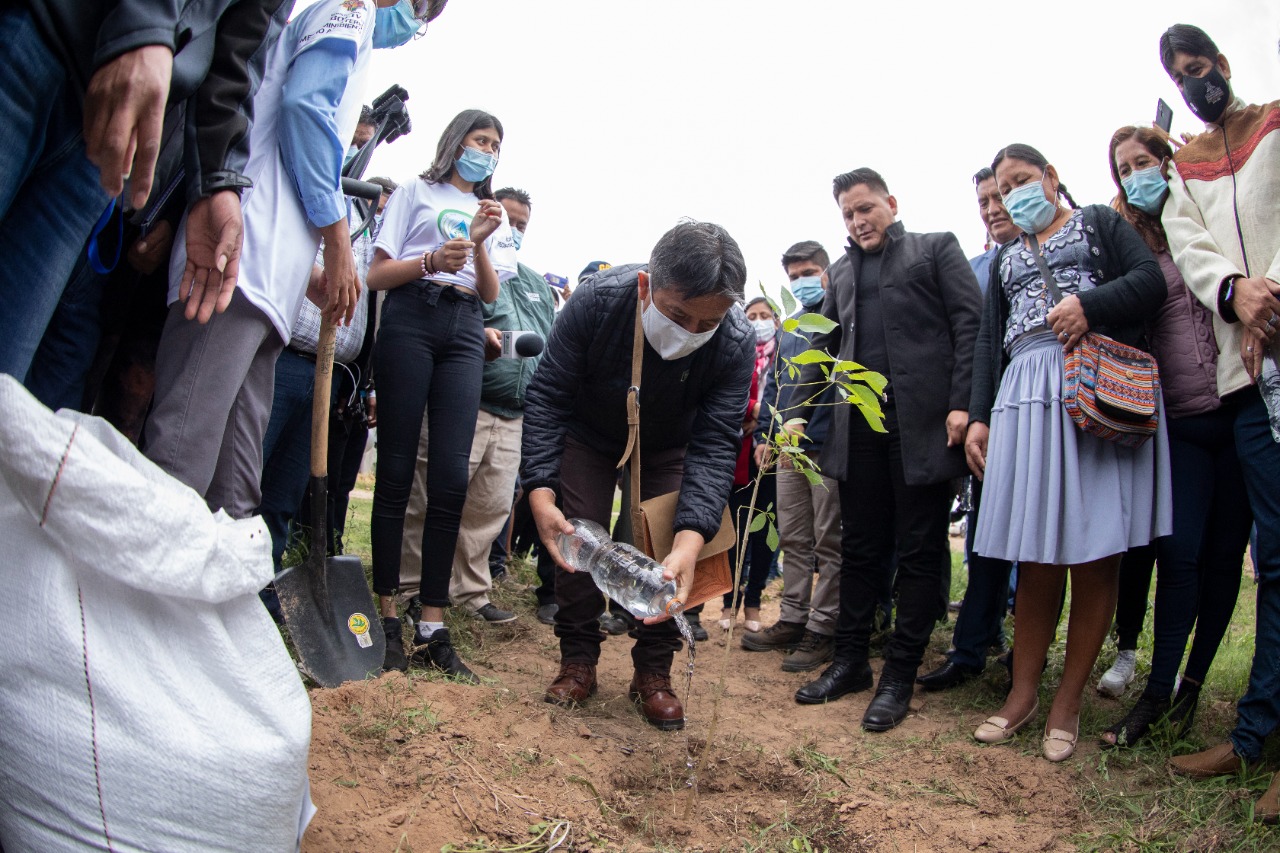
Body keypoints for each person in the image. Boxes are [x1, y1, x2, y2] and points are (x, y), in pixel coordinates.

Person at [141, 0, 426, 519]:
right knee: (183, 454)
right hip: (237, 263)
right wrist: (338, 239)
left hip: (270, 281)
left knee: (236, 484)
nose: (416, 23)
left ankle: (215, 596)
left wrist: (309, 273)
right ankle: (134, 593)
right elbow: (305, 109)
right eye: (421, 9)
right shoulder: (352, 10)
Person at [966, 143, 1170, 762]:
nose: (1011, 196)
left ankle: (1068, 702)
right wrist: (978, 417)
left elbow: (1150, 282)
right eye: (1002, 190)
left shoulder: (1099, 224)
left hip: (1092, 391)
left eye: (1022, 181)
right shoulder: (1003, 259)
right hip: (1024, 397)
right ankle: (1022, 694)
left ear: (1052, 178)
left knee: (1095, 552)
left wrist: (1089, 306)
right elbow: (986, 343)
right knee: (1035, 555)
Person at [522, 221, 754, 731]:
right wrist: (539, 490)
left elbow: (716, 444)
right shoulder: (596, 302)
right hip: (589, 432)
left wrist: (693, 540)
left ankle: (654, 670)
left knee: (667, 554)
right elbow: (548, 395)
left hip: (671, 441)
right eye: (677, 315)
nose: (691, 332)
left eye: (706, 323)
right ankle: (577, 658)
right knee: (576, 538)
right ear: (647, 286)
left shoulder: (734, 340)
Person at [0, 0, 293, 382]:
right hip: (41, 35)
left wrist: (218, 179)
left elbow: (241, 50)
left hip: (108, 140)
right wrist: (146, 23)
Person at [792, 168, 981, 733]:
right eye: (848, 214)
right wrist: (799, 412)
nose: (858, 220)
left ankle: (898, 675)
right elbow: (822, 345)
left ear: (891, 204)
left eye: (866, 208)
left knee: (921, 550)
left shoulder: (935, 250)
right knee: (860, 549)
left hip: (923, 427)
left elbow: (970, 324)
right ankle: (850, 662)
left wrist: (962, 402)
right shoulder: (843, 273)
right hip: (859, 432)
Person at [1156, 26, 1280, 819]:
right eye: (1178, 75)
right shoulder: (1185, 166)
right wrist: (1235, 289)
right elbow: (1189, 242)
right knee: (1275, 559)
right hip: (1249, 377)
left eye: (1198, 69)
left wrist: (1273, 287)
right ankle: (1256, 733)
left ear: (1224, 67)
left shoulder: (1275, 121)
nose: (1193, 82)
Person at [1097, 125, 1252, 748]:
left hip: (1241, 410)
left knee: (1224, 563)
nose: (1136, 174)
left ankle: (1189, 689)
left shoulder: (1208, 228)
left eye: (1145, 161)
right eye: (1123, 168)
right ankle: (1155, 690)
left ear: (1169, 163)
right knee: (1179, 555)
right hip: (1180, 423)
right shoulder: (1131, 248)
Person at [366, 109, 517, 677]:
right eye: (482, 140)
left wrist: (478, 241)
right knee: (398, 472)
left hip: (463, 330)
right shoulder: (414, 191)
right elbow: (375, 276)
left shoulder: (486, 212)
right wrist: (429, 259)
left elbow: (489, 288)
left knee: (452, 475)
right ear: (456, 141)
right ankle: (386, 618)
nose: (489, 152)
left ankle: (432, 622)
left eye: (497, 146)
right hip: (410, 318)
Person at [918, 168, 1019, 692]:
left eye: (1001, 195)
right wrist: (971, 411)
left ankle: (1024, 656)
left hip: (1047, 413)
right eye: (983, 200)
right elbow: (972, 345)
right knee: (985, 536)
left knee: (1043, 544)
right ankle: (971, 648)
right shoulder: (979, 268)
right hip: (989, 418)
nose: (992, 207)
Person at [443, 186, 555, 622]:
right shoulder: (461, 264)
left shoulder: (535, 285)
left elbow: (548, 348)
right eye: (509, 221)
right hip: (468, 402)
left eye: (522, 225)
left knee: (490, 506)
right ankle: (411, 584)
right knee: (438, 497)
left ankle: (470, 593)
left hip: (516, 414)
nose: (515, 231)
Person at [743, 241, 843, 673]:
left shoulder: (838, 321)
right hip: (787, 448)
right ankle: (793, 617)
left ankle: (823, 628)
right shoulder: (790, 328)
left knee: (829, 540)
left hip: (827, 443)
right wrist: (765, 434)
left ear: (827, 272)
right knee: (795, 537)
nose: (803, 281)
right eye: (795, 274)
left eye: (810, 271)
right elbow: (775, 386)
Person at [717, 296, 780, 634]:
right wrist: (758, 410)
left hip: (772, 457)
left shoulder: (785, 357)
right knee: (736, 533)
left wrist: (766, 421)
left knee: (765, 532)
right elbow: (729, 397)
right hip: (738, 457)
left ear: (776, 319)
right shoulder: (738, 353)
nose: (758, 321)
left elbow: (790, 402)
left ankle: (754, 603)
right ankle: (729, 603)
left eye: (764, 315)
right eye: (752, 315)